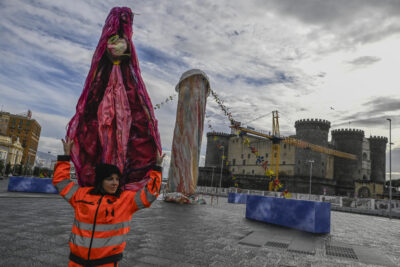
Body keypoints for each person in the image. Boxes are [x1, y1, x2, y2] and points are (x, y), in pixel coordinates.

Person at [53, 137, 165, 266]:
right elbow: (61, 183)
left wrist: (157, 167)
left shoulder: (125, 200)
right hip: (76, 262)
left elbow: (150, 194)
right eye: (110, 179)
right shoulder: (82, 195)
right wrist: (65, 157)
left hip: (106, 263)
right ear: (100, 181)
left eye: (117, 179)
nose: (115, 183)